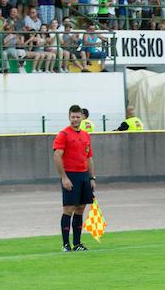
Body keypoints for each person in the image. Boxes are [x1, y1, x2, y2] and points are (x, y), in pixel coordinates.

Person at [53, 104, 95, 252]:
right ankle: (66, 244)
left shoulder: (85, 135)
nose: (75, 119)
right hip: (70, 175)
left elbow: (89, 158)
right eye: (73, 117)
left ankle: (77, 243)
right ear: (69, 117)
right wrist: (64, 177)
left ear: (82, 117)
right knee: (68, 209)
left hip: (84, 175)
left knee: (80, 208)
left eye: (78, 117)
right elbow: (57, 156)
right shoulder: (63, 134)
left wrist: (92, 178)